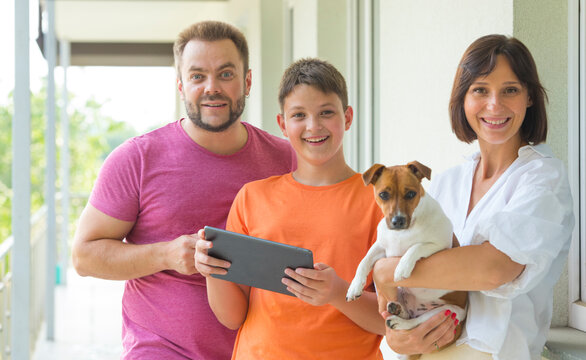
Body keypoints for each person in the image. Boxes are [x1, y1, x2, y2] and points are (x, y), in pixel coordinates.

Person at [71, 21, 296, 359]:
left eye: (225, 74)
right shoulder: (137, 159)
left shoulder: (286, 159)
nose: (211, 88)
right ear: (180, 85)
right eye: (197, 76)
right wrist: (166, 255)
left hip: (263, 349)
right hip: (161, 349)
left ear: (247, 81)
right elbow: (84, 256)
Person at [373, 34, 574, 360]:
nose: (494, 105)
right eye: (480, 89)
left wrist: (384, 272)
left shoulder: (542, 178)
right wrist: (397, 338)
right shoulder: (447, 181)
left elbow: (494, 268)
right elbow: (399, 292)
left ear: (530, 98)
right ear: (463, 99)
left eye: (510, 90)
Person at [195, 58, 386, 359]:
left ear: (347, 117)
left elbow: (392, 320)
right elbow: (232, 317)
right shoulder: (252, 198)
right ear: (283, 124)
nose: (314, 126)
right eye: (299, 115)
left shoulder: (378, 202)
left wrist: (337, 292)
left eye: (326, 112)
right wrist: (210, 269)